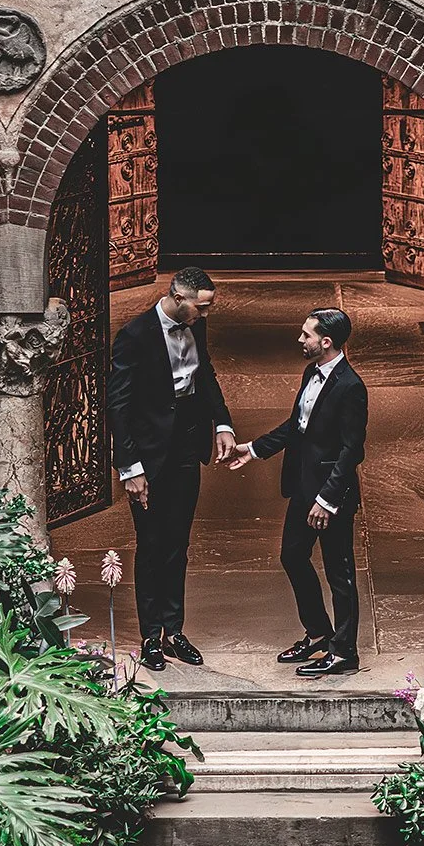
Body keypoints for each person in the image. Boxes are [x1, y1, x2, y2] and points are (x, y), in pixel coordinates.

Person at [225, 306, 368, 677]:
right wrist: (253, 449)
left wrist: (327, 500)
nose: (299, 340)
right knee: (292, 556)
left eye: (306, 335)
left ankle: (344, 651)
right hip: (303, 488)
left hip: (330, 497)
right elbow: (297, 427)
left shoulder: (351, 387)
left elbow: (352, 451)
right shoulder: (311, 372)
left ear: (326, 342)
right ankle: (319, 632)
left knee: (341, 572)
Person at [106, 267, 235, 671]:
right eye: (202, 306)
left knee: (178, 542)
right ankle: (150, 635)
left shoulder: (195, 325)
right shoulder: (135, 335)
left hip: (186, 444)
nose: (206, 314)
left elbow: (205, 374)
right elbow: (119, 406)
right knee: (151, 544)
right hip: (149, 453)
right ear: (179, 298)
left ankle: (174, 630)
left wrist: (224, 423)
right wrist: (131, 467)